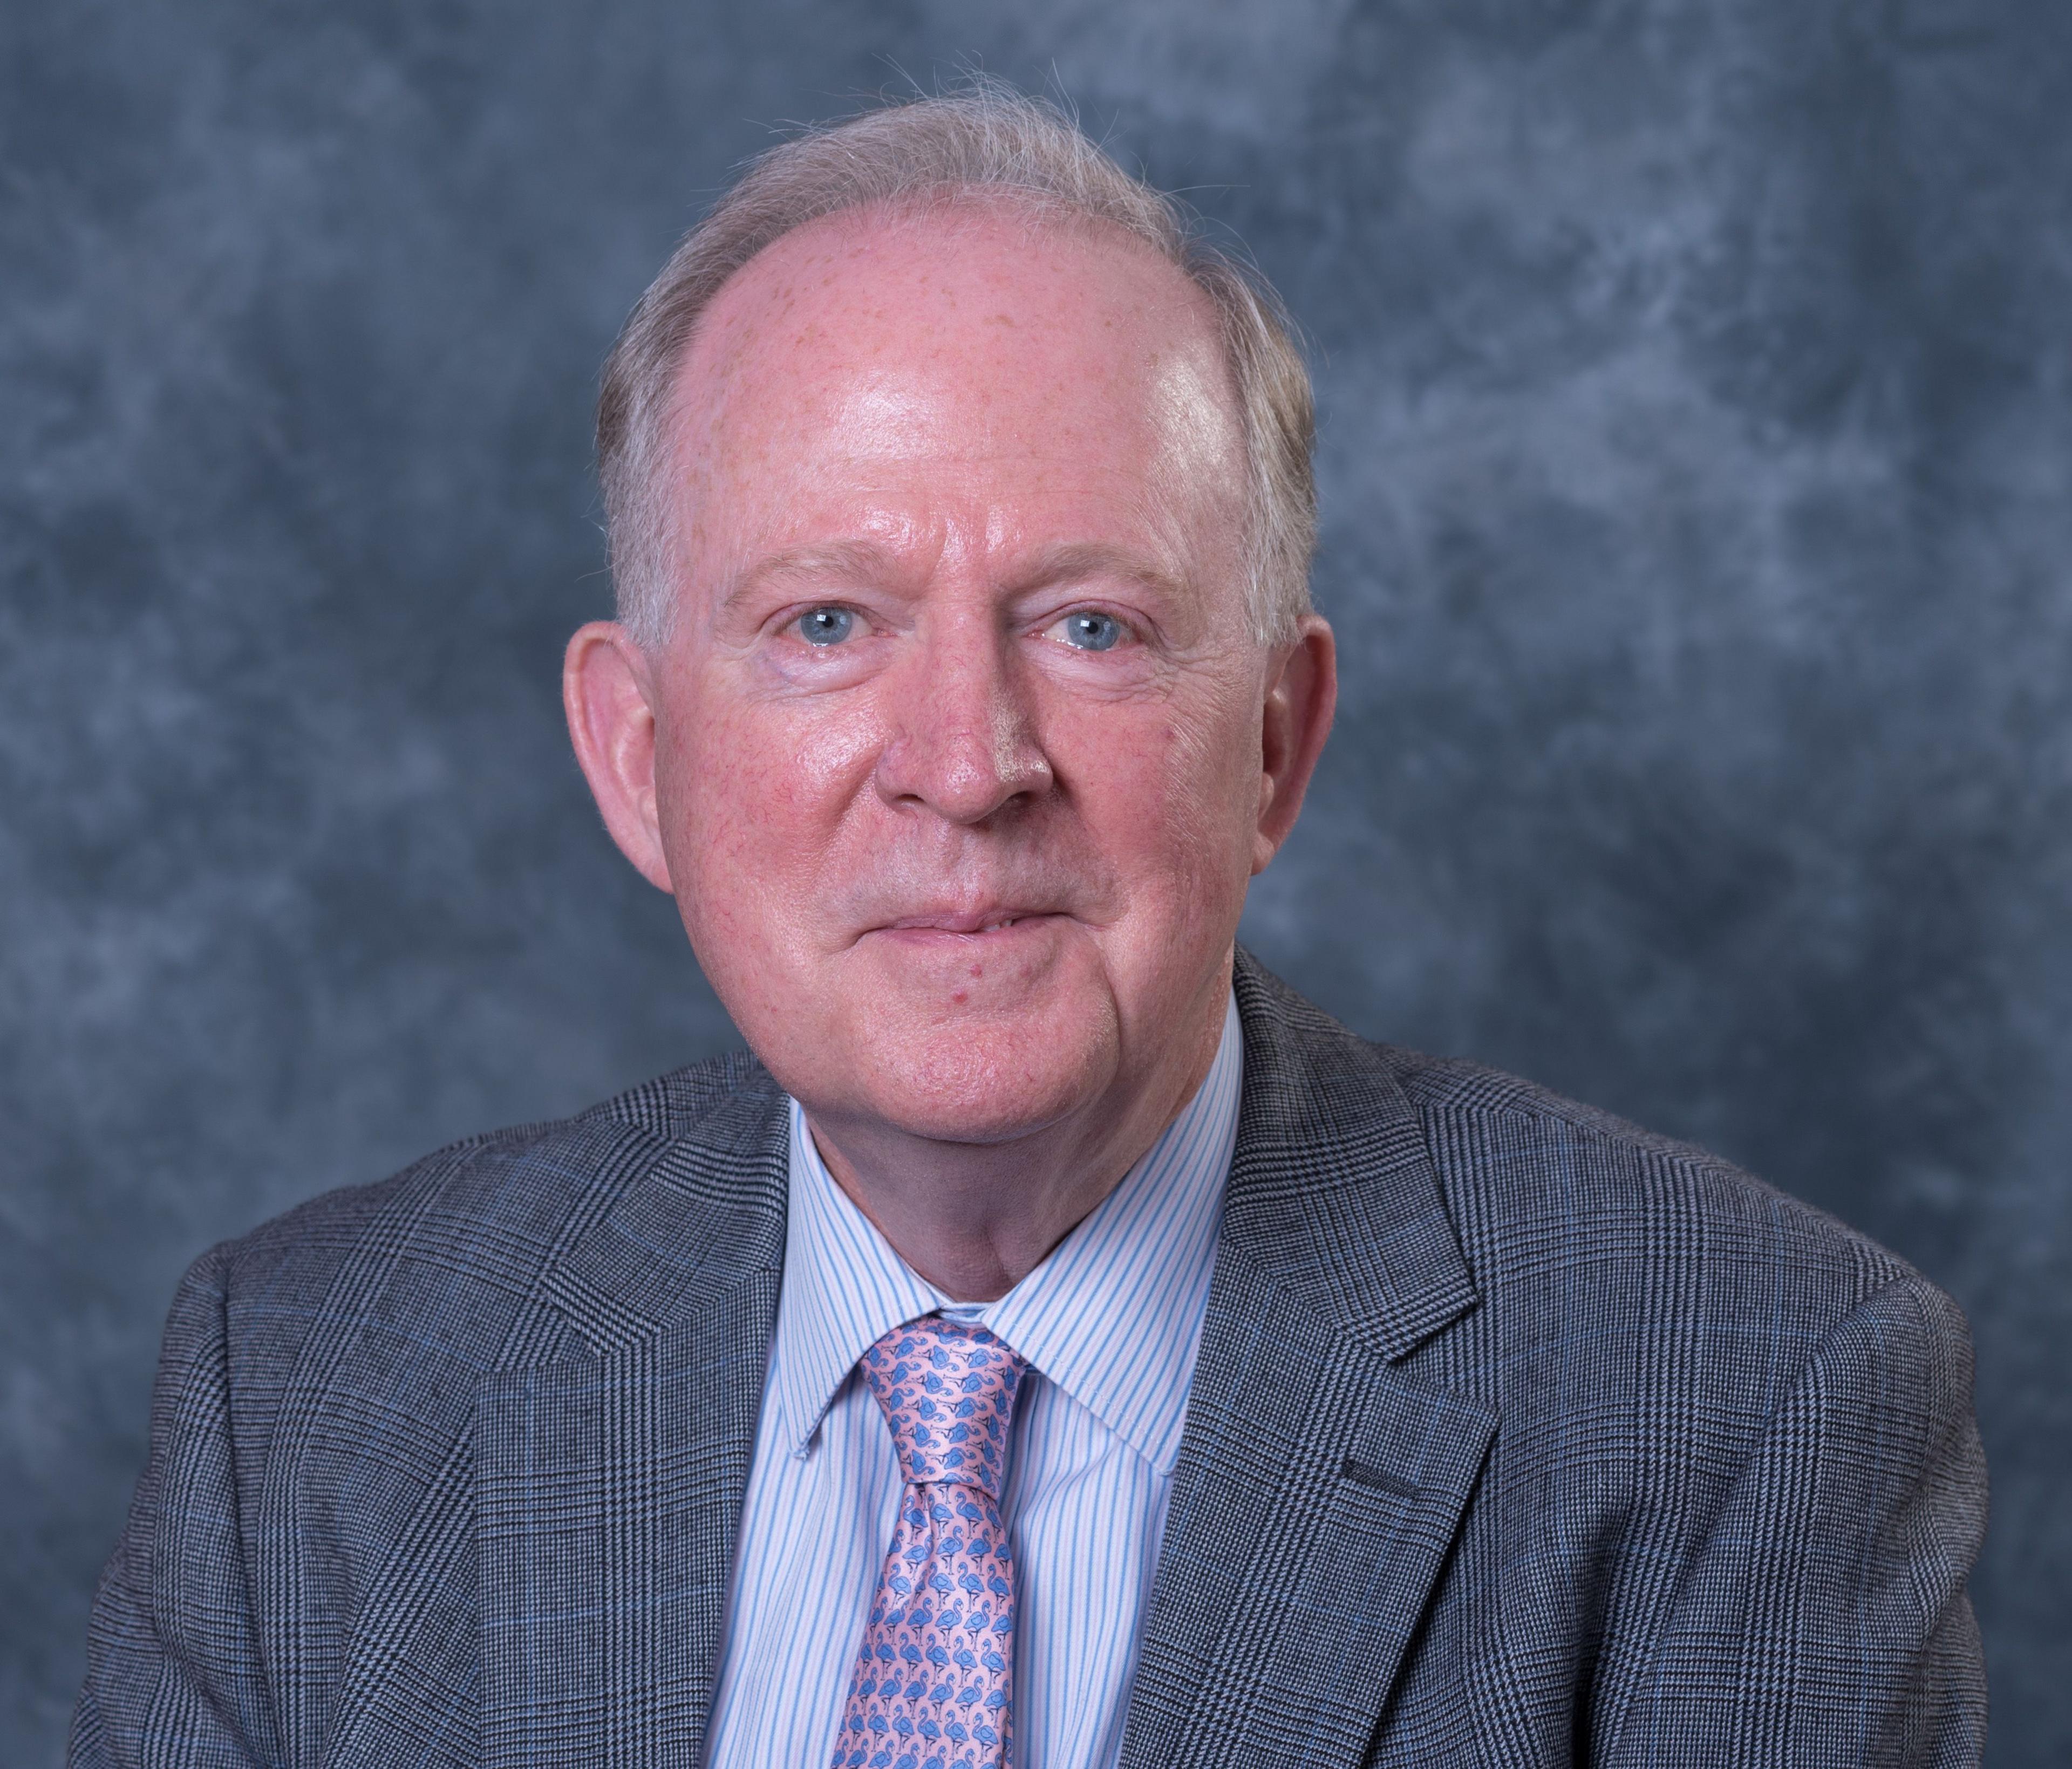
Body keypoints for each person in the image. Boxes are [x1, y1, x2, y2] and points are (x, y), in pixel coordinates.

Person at [71, 84, 1987, 1769]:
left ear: (1272, 743)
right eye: (826, 624)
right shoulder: (312, 1393)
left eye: (1093, 625)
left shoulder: (1751, 1400)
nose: (967, 765)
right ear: (638, 755)